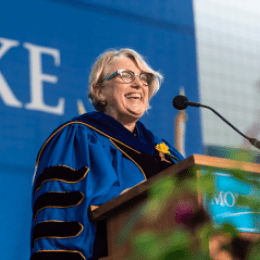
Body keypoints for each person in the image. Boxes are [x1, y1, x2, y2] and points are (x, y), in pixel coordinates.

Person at [30, 48, 184, 260]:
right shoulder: (78, 138)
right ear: (100, 91)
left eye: (144, 78)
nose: (139, 84)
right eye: (126, 76)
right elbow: (60, 220)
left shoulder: (165, 151)